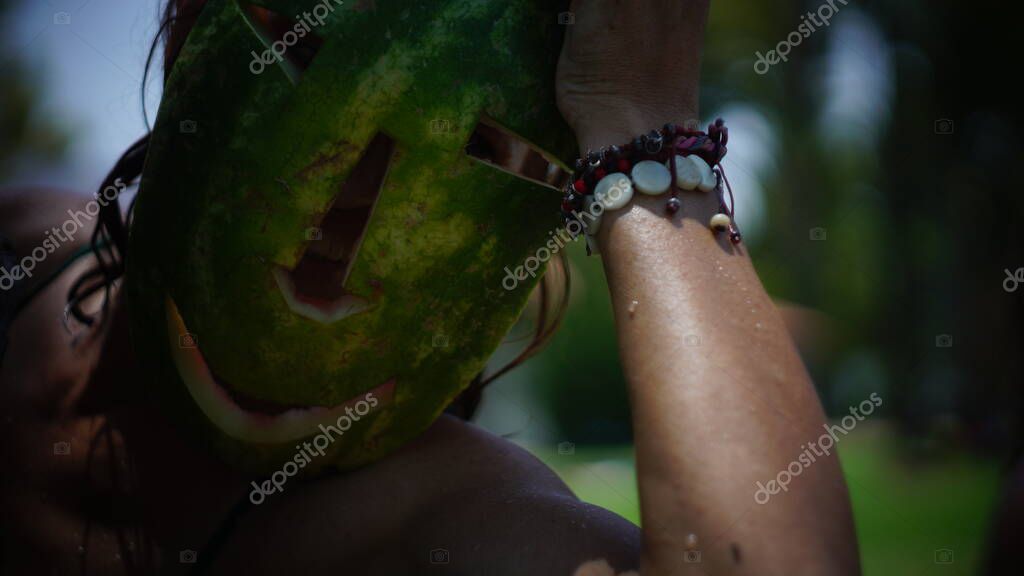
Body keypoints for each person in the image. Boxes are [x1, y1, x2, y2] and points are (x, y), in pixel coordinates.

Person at [0, 1, 860, 574]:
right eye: (304, 58)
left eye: (478, 153)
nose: (342, 224)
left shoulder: (445, 526)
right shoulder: (23, 253)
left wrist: (645, 135)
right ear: (193, 28)